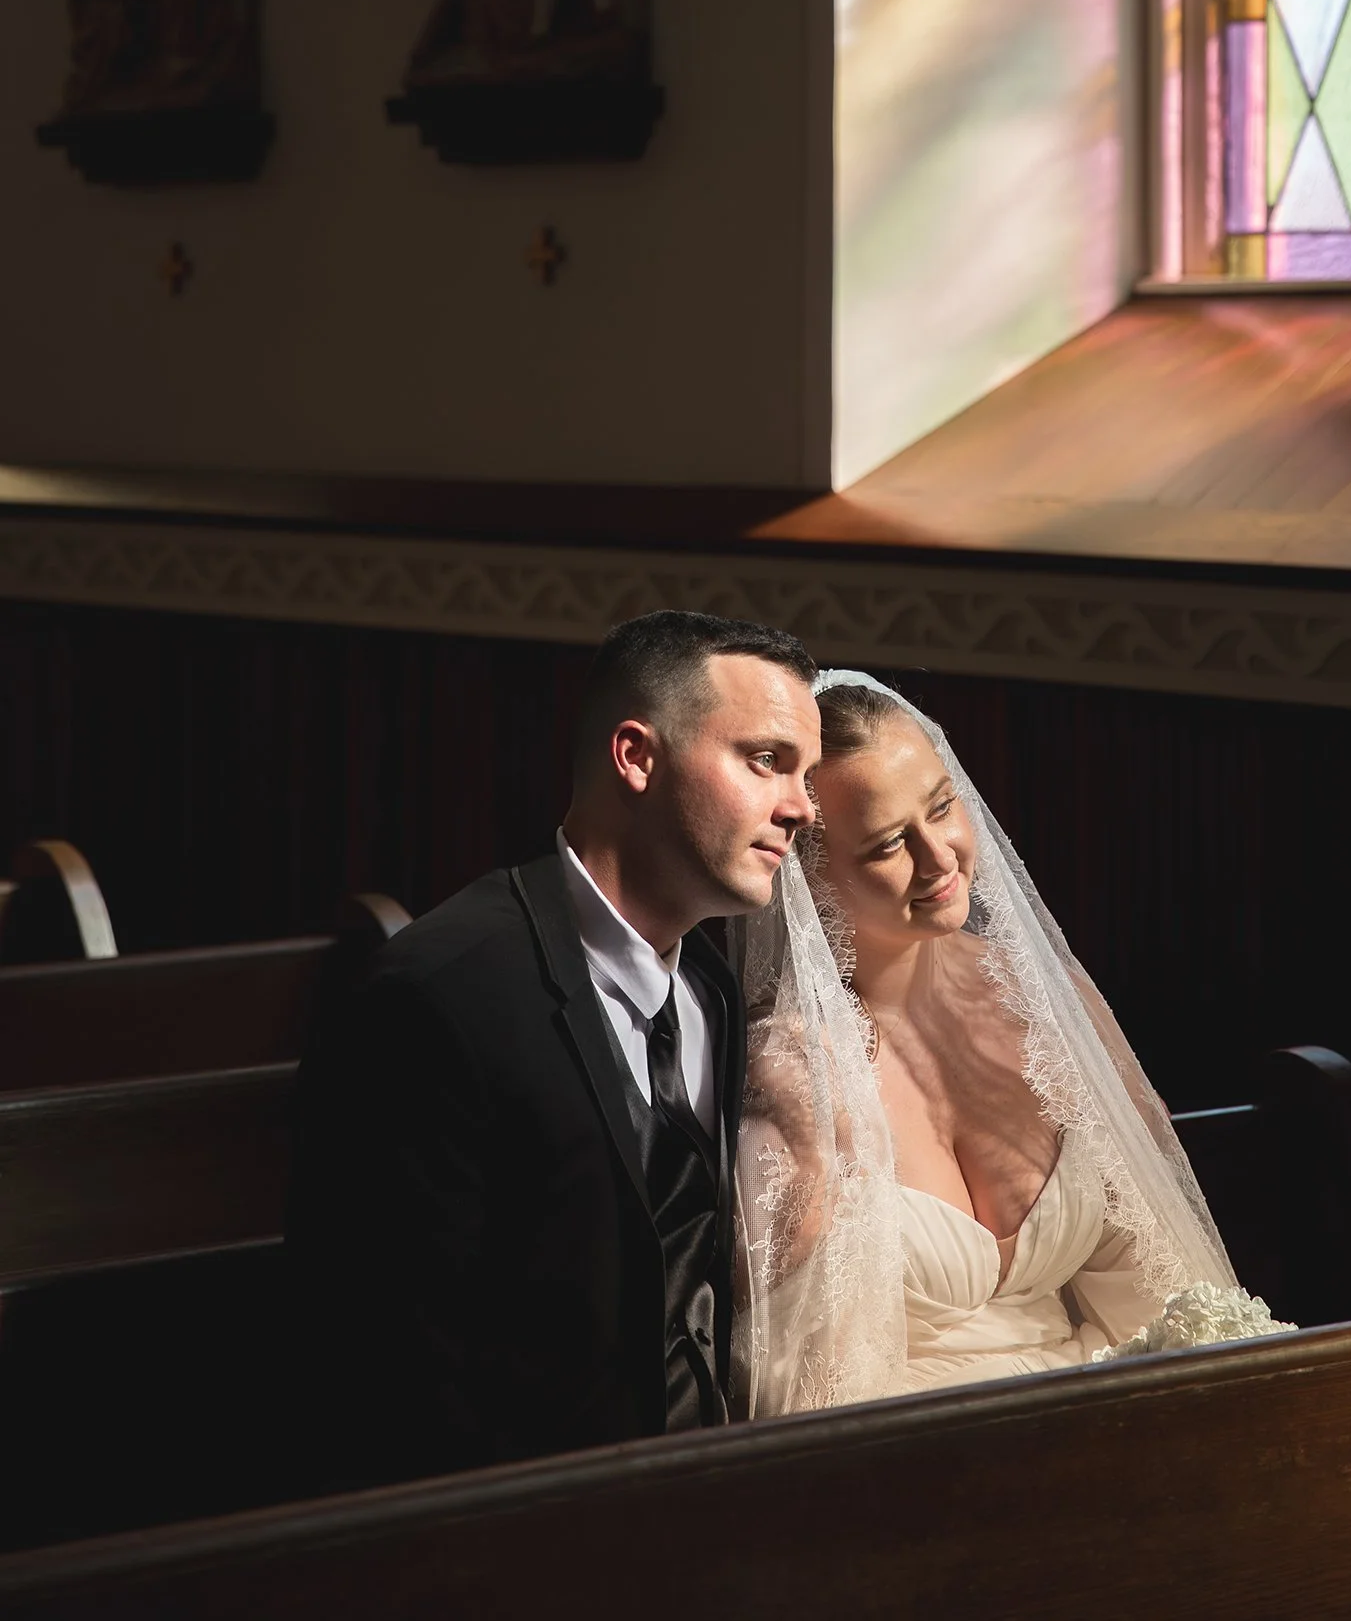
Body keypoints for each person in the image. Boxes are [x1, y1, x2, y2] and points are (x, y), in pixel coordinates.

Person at [287, 610, 821, 1484]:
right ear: (636, 756)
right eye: (766, 759)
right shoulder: (433, 995)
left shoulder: (709, 987)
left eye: (806, 774)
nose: (801, 806)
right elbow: (393, 1366)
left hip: (704, 1488)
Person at [734, 671, 1290, 1415]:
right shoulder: (791, 1070)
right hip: (914, 1445)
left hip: (1106, 1410)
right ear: (809, 872)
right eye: (888, 843)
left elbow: (1162, 1289)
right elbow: (800, 1390)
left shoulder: (1047, 1003)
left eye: (941, 807)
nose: (940, 858)